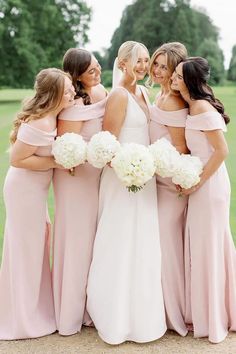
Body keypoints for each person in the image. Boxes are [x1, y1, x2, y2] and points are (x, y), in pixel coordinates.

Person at [87, 41, 166, 345]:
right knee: (119, 239)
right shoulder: (118, 96)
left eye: (147, 61)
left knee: (143, 241)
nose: (145, 66)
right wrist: (129, 168)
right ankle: (114, 315)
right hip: (123, 178)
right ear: (122, 63)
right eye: (139, 61)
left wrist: (144, 167)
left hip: (144, 178)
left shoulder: (144, 92)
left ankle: (143, 316)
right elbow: (108, 143)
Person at [0, 68, 75, 340]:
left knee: (36, 246)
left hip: (35, 190)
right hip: (24, 190)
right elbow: (17, 159)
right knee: (26, 251)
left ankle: (34, 310)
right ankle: (21, 319)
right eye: (66, 89)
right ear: (53, 93)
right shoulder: (42, 122)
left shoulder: (53, 116)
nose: (72, 93)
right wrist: (57, 161)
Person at [171, 56, 236, 343]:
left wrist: (197, 181)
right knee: (202, 247)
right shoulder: (190, 106)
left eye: (177, 74)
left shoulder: (201, 107)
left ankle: (214, 317)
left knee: (209, 248)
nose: (172, 77)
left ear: (189, 81)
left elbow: (221, 151)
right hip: (201, 184)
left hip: (209, 187)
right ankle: (209, 311)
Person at [52, 48, 107, 336]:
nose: (96, 72)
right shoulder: (72, 102)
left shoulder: (102, 91)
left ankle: (89, 307)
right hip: (75, 176)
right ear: (76, 75)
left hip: (96, 175)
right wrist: (84, 156)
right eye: (89, 70)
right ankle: (69, 313)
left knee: (93, 241)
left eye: (97, 66)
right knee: (76, 241)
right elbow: (66, 144)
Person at [148, 42, 189, 336]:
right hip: (154, 181)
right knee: (158, 245)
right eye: (157, 64)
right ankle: (158, 308)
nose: (160, 71)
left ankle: (174, 313)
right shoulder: (158, 93)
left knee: (167, 244)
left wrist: (162, 167)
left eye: (166, 67)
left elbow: (181, 147)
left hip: (170, 182)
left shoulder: (174, 100)